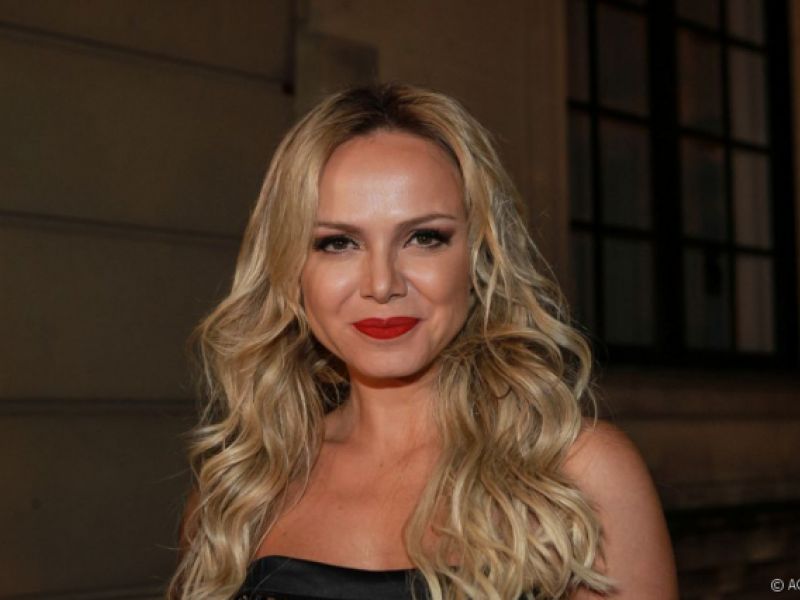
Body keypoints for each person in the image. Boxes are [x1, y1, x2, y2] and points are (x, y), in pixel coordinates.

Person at [169, 82, 678, 599]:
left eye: (424, 238)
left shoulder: (578, 474)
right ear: (290, 269)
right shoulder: (239, 493)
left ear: (479, 257)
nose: (382, 284)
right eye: (338, 243)